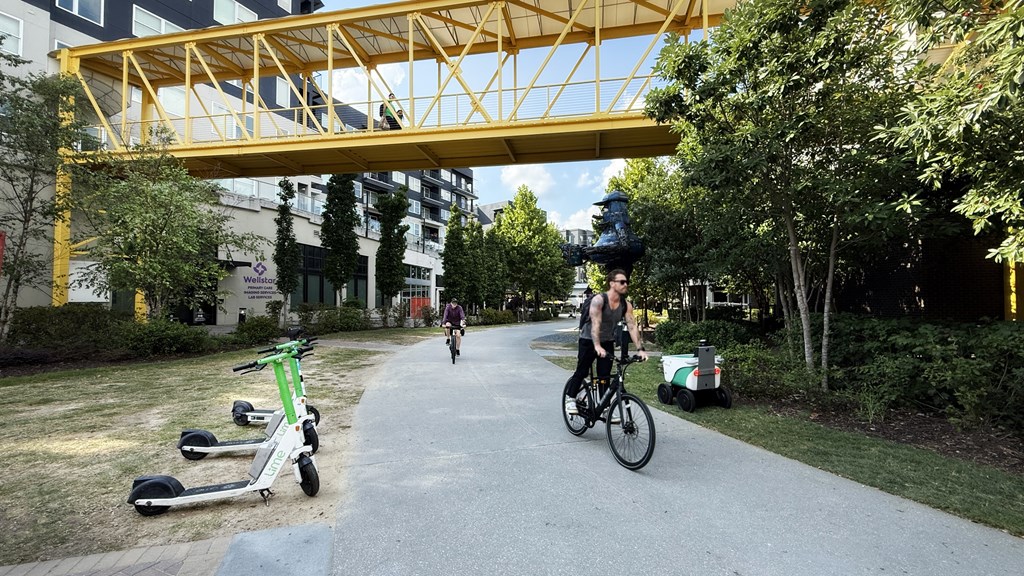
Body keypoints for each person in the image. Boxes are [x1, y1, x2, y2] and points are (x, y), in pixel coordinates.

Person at [564, 270, 647, 416]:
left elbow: (632, 326)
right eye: (622, 282)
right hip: (589, 340)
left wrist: (640, 349)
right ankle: (570, 398)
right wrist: (596, 346)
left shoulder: (625, 305)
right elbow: (596, 324)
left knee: (604, 376)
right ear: (612, 284)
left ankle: (604, 407)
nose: (625, 284)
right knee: (582, 371)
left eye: (626, 282)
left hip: (607, 340)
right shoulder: (599, 300)